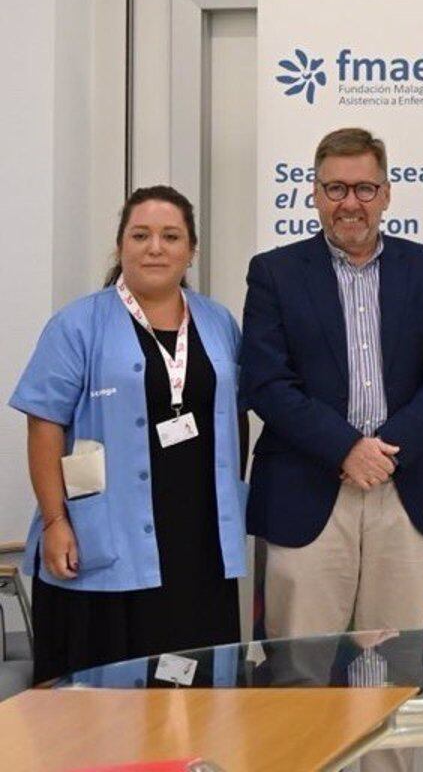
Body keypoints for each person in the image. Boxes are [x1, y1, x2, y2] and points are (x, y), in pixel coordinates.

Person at [11, 186, 246, 684]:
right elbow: (44, 424)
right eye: (140, 235)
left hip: (197, 545)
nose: (155, 247)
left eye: (170, 236)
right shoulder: (78, 324)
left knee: (194, 694)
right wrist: (55, 521)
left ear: (191, 250)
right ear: (120, 247)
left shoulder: (218, 321)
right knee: (99, 704)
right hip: (104, 543)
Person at [241, 127, 423, 648]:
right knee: (299, 666)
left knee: (396, 665)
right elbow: (267, 383)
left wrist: (385, 453)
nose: (350, 203)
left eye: (365, 189)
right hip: (309, 488)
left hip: (403, 488)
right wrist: (346, 449)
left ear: (386, 194)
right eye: (336, 189)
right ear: (315, 194)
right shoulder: (274, 273)